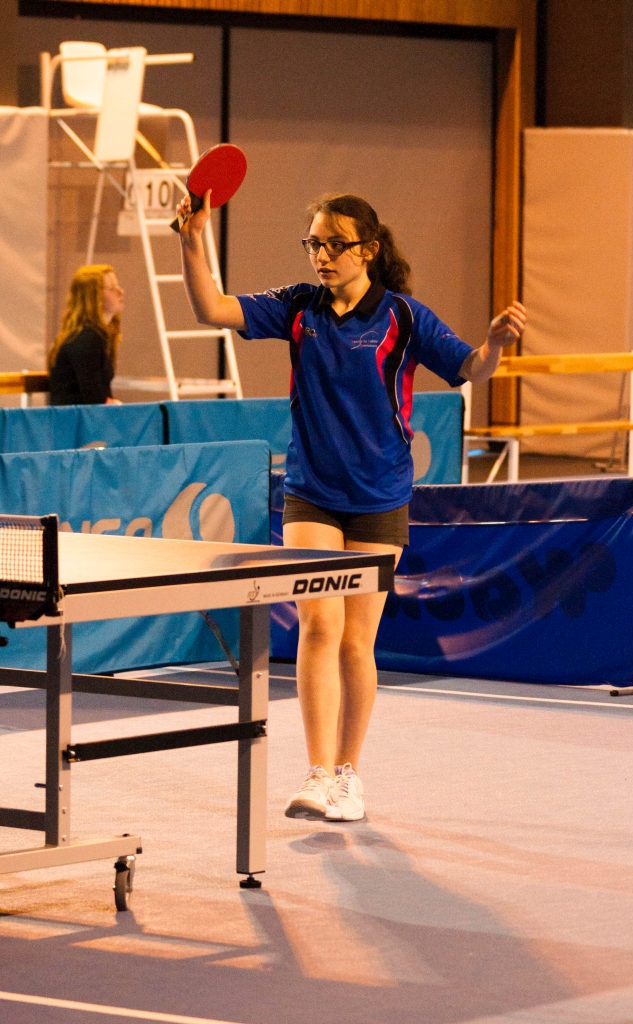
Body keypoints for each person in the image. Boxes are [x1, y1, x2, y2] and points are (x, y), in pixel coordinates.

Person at [176, 189, 527, 822]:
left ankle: (348, 776)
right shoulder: (298, 307)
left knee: (356, 642)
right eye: (314, 243)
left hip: (379, 498)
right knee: (318, 626)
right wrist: (191, 237)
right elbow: (211, 307)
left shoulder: (403, 317)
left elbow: (472, 368)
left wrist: (496, 343)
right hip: (311, 493)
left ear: (368, 249)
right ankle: (316, 773)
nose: (322, 255)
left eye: (336, 244)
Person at [48, 264, 124, 405]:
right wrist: (115, 405)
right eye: (112, 288)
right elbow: (94, 397)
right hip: (75, 417)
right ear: (94, 297)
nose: (120, 292)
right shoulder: (86, 339)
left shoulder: (96, 336)